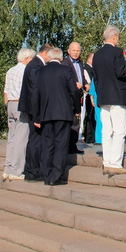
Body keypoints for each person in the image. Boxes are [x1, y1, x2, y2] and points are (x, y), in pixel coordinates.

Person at [30, 47, 79, 186]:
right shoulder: (65, 70)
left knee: (47, 144)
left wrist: (37, 116)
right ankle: (56, 176)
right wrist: (76, 109)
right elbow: (74, 91)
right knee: (60, 144)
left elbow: (35, 96)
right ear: (60, 57)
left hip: (46, 114)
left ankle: (46, 175)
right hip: (63, 113)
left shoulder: (40, 72)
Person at [91, 25, 126, 175]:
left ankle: (107, 161)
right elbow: (120, 72)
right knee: (120, 130)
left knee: (106, 130)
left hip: (103, 96)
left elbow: (96, 76)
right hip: (117, 96)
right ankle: (115, 163)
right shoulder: (117, 52)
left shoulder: (97, 54)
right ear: (114, 37)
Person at [18, 45, 50, 180]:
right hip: (35, 109)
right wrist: (38, 115)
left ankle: (33, 170)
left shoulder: (34, 64)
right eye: (51, 54)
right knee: (35, 140)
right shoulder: (36, 66)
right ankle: (33, 171)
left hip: (34, 108)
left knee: (35, 140)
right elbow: (36, 91)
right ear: (44, 53)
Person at [2, 48, 34, 181]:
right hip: (21, 105)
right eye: (31, 58)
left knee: (12, 138)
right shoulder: (26, 71)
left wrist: (8, 106)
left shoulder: (10, 70)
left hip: (10, 104)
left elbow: (6, 91)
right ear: (26, 58)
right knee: (21, 139)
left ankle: (8, 168)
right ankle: (17, 170)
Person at [61, 41, 86, 155]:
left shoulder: (80, 63)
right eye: (74, 50)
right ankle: (67, 147)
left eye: (78, 51)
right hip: (68, 97)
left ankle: (73, 146)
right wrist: (75, 84)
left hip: (78, 95)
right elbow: (66, 80)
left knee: (76, 123)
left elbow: (81, 77)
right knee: (70, 123)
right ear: (69, 51)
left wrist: (85, 84)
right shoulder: (65, 63)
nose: (76, 53)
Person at [83, 52, 100, 144]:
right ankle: (89, 137)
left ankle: (91, 136)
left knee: (92, 116)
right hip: (89, 95)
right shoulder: (86, 68)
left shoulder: (91, 68)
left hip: (92, 94)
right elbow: (88, 82)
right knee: (90, 116)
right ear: (90, 59)